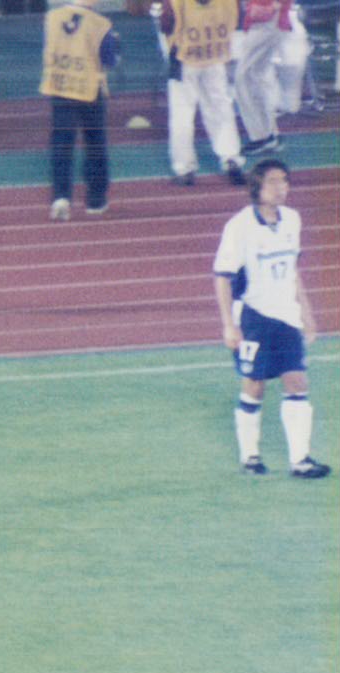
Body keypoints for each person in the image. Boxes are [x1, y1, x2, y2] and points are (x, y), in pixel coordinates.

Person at [213, 159, 328, 478]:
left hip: (287, 317)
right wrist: (228, 324)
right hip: (254, 318)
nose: (281, 188)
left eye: (284, 181)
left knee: (297, 381)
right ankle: (250, 456)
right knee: (255, 386)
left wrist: (306, 313)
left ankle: (300, 460)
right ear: (257, 187)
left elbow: (293, 271)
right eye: (273, 181)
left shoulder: (292, 220)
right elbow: (222, 276)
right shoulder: (239, 227)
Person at [39, 0, 120, 221]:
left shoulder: (52, 18)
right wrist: (116, 45)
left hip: (60, 87)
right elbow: (109, 60)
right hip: (89, 90)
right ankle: (96, 200)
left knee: (61, 144)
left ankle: (61, 197)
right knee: (95, 144)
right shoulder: (101, 24)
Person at [157, 0, 245, 187]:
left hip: (184, 60)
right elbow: (237, 18)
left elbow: (166, 24)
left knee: (182, 116)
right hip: (215, 57)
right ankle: (231, 158)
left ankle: (185, 168)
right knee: (221, 110)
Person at [234, 0, 295, 155]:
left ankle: (261, 137)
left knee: (244, 79)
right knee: (256, 77)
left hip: (266, 20)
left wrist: (273, 7)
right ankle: (270, 134)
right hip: (269, 19)